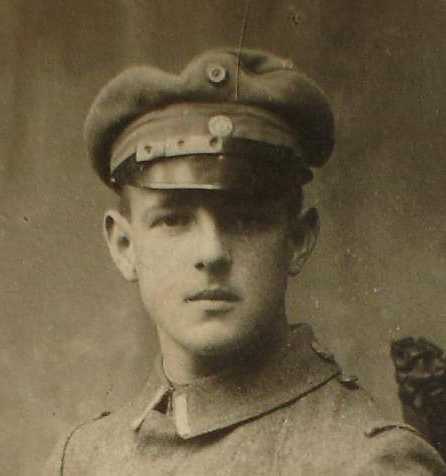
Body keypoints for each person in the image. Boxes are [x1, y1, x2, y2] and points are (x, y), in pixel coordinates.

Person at [45, 48, 446, 475]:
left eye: (247, 219)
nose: (211, 252)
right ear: (125, 247)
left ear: (297, 239)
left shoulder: (366, 462)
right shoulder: (82, 461)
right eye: (174, 220)